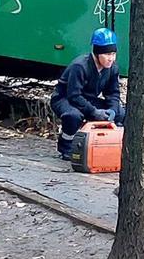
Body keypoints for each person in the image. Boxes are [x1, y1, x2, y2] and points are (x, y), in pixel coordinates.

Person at [50, 28, 125, 161]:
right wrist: (94, 112)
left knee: (121, 113)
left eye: (113, 54)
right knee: (73, 115)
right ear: (97, 53)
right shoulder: (80, 66)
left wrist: (112, 110)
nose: (111, 59)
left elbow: (113, 93)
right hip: (64, 98)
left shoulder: (112, 68)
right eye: (107, 54)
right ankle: (66, 146)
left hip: (87, 99)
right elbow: (74, 95)